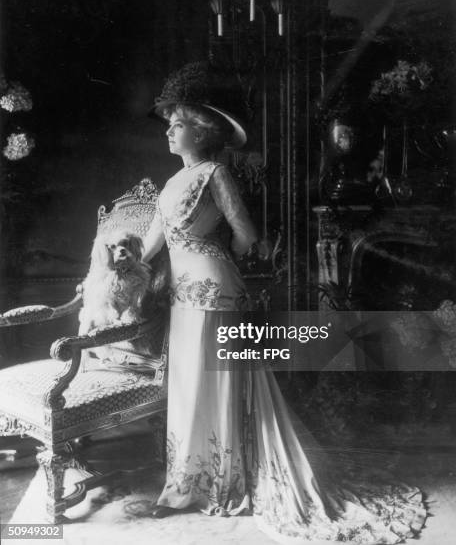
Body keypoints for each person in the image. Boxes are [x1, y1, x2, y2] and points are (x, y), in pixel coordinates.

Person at [142, 62, 426, 544]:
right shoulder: (170, 184)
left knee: (217, 381)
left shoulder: (214, 172)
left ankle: (223, 483)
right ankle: (187, 482)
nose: (170, 129)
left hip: (214, 290)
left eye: (180, 122)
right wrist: (108, 270)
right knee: (190, 382)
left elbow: (247, 236)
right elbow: (150, 246)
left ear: (204, 131)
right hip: (182, 296)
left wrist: (210, 254)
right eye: (169, 122)